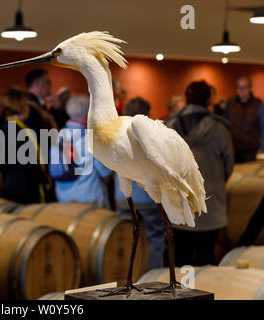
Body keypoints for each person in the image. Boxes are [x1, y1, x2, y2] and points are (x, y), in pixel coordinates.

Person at [166, 80, 234, 266]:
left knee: (180, 261)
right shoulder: (220, 129)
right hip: (210, 206)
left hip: (179, 206)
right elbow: (229, 166)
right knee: (207, 260)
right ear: (208, 99)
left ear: (187, 98)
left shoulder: (169, 127)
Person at [114, 97, 165, 270]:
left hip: (124, 196)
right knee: (155, 239)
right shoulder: (152, 135)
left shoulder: (115, 133)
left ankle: (130, 276)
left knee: (126, 239)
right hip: (148, 196)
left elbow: (106, 167)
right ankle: (153, 276)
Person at [51, 95, 112, 209]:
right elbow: (104, 172)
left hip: (63, 197)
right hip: (90, 196)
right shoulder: (91, 138)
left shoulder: (58, 136)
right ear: (86, 116)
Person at [0, 87, 47, 203]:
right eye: (25, 105)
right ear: (18, 107)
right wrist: (43, 178)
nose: (28, 109)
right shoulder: (12, 129)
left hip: (18, 184)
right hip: (22, 187)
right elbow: (29, 162)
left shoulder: (9, 126)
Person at [225, 76, 264, 163]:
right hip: (233, 149)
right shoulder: (230, 103)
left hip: (251, 150)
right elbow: (225, 125)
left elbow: (263, 127)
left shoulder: (258, 104)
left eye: (244, 87)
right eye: (239, 87)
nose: (241, 90)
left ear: (250, 88)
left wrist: (262, 147)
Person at [25, 69, 58, 133]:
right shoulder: (28, 105)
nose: (51, 85)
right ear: (37, 84)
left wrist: (55, 107)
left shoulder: (38, 102)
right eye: (47, 82)